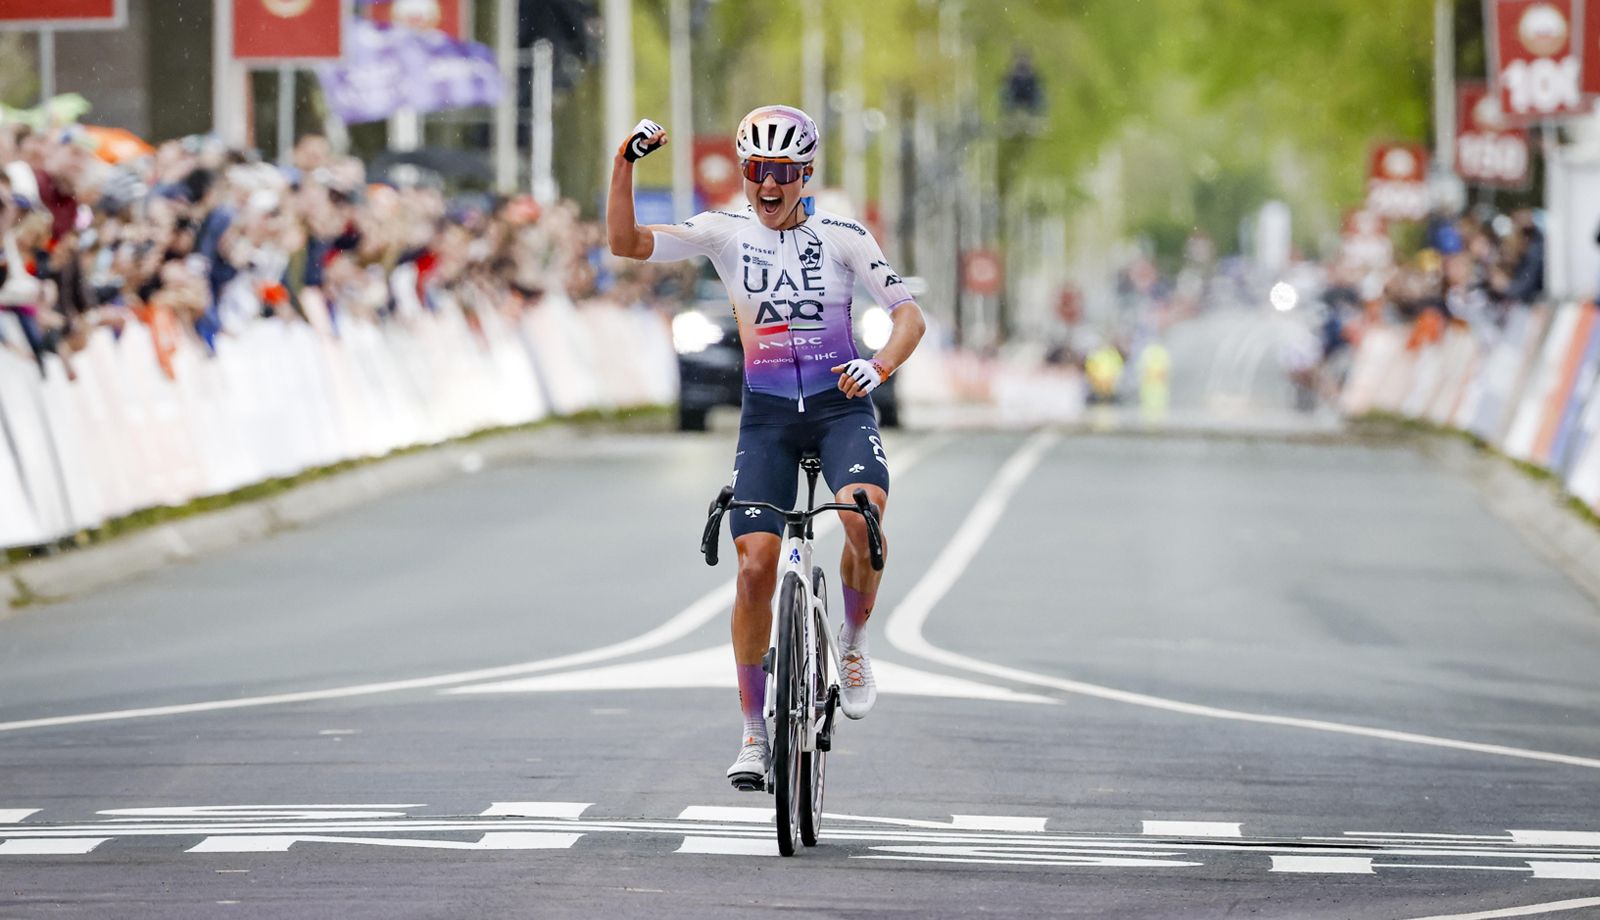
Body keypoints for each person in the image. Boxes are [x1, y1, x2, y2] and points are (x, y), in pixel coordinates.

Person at [606, 105, 926, 788]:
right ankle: (754, 729)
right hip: (769, 419)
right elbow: (627, 243)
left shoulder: (844, 236)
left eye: (781, 172)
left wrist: (880, 366)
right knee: (754, 567)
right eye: (756, 171)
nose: (767, 185)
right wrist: (624, 164)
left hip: (841, 409)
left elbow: (909, 315)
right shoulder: (723, 232)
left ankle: (854, 641)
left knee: (860, 518)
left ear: (804, 174)